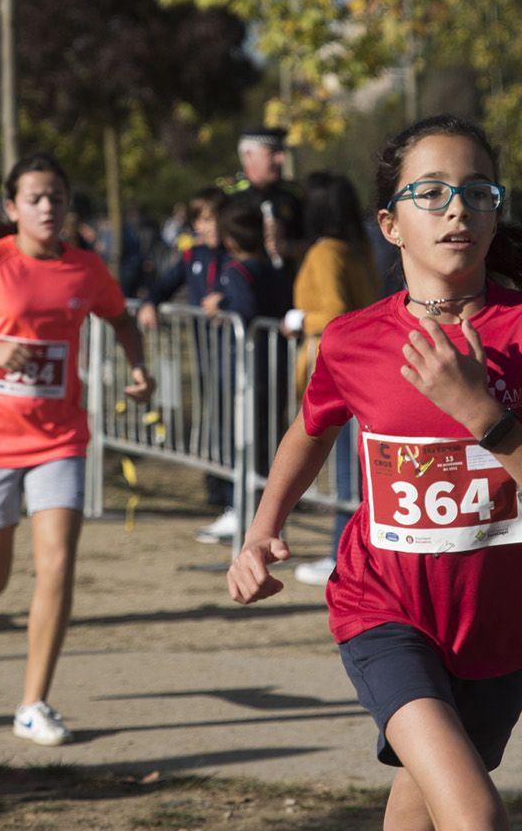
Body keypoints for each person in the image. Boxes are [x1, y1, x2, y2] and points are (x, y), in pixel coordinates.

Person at [226, 115, 522, 831]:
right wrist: (262, 532)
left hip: (501, 632)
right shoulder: (355, 339)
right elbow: (310, 428)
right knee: (476, 829)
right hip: (384, 612)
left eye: (479, 192)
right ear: (390, 223)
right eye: (432, 192)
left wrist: (487, 418)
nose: (458, 210)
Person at [0, 153, 154, 746]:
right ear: (13, 208)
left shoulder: (85, 268)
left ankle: (32, 702)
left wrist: (138, 366)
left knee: (58, 565)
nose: (48, 207)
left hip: (59, 438)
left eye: (58, 198)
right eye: (36, 198)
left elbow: (120, 319)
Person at [286, 171, 384, 585]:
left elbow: (337, 314)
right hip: (366, 366)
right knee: (356, 469)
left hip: (338, 370)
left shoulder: (326, 253)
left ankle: (340, 555)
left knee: (346, 471)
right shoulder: (358, 246)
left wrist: (299, 318)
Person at [195, 201, 293, 545]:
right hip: (273, 367)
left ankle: (241, 511)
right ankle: (265, 517)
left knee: (244, 442)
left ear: (230, 239)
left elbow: (247, 310)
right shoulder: (273, 267)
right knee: (266, 443)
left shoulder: (236, 270)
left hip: (247, 372)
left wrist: (222, 305)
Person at [139, 188, 235, 513]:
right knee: (214, 416)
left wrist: (225, 299)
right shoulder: (191, 256)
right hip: (205, 354)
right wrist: (150, 303)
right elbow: (164, 284)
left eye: (217, 218)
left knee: (235, 420)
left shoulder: (237, 255)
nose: (211, 226)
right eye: (205, 219)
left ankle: (236, 495)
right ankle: (216, 489)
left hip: (236, 356)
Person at [221, 126, 304, 269]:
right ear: (248, 155)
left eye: (280, 152)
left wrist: (288, 247)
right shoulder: (229, 198)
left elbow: (313, 241)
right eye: (272, 153)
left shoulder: (292, 196)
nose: (281, 159)